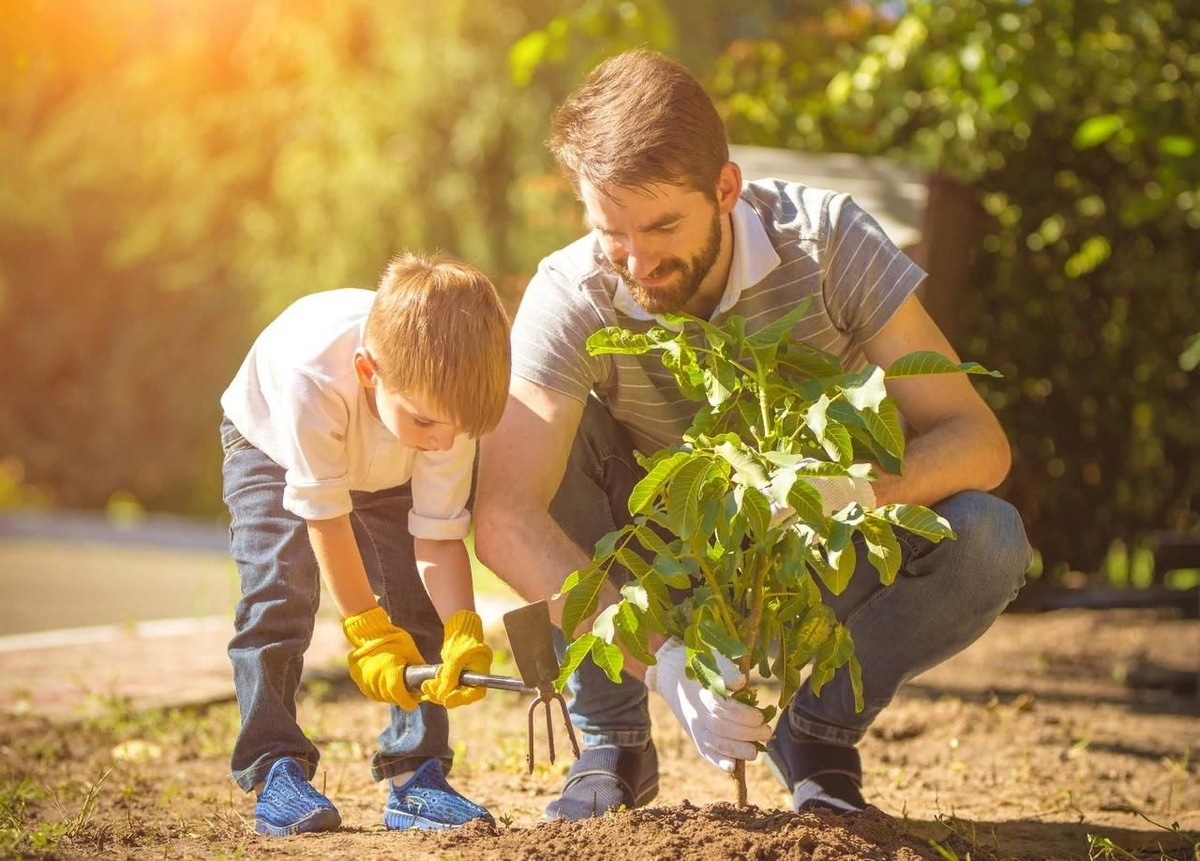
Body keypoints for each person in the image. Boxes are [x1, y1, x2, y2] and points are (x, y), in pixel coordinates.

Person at [474, 50, 1032, 819]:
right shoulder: (571, 293)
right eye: (613, 232)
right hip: (659, 566)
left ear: (726, 189)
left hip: (811, 549)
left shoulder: (828, 242)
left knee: (990, 536)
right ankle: (612, 739)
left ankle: (816, 734)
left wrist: (852, 489)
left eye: (664, 224)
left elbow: (978, 439)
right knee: (544, 437)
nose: (637, 260)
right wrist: (662, 660)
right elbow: (504, 514)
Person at [219, 253, 510, 835]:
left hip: (386, 459)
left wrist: (462, 626)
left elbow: (438, 535)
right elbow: (325, 516)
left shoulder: (441, 413)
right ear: (368, 371)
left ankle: (417, 774)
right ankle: (275, 765)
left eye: (459, 429)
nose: (445, 442)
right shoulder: (313, 378)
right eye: (430, 423)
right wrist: (368, 631)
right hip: (274, 446)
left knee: (417, 600)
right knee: (279, 592)